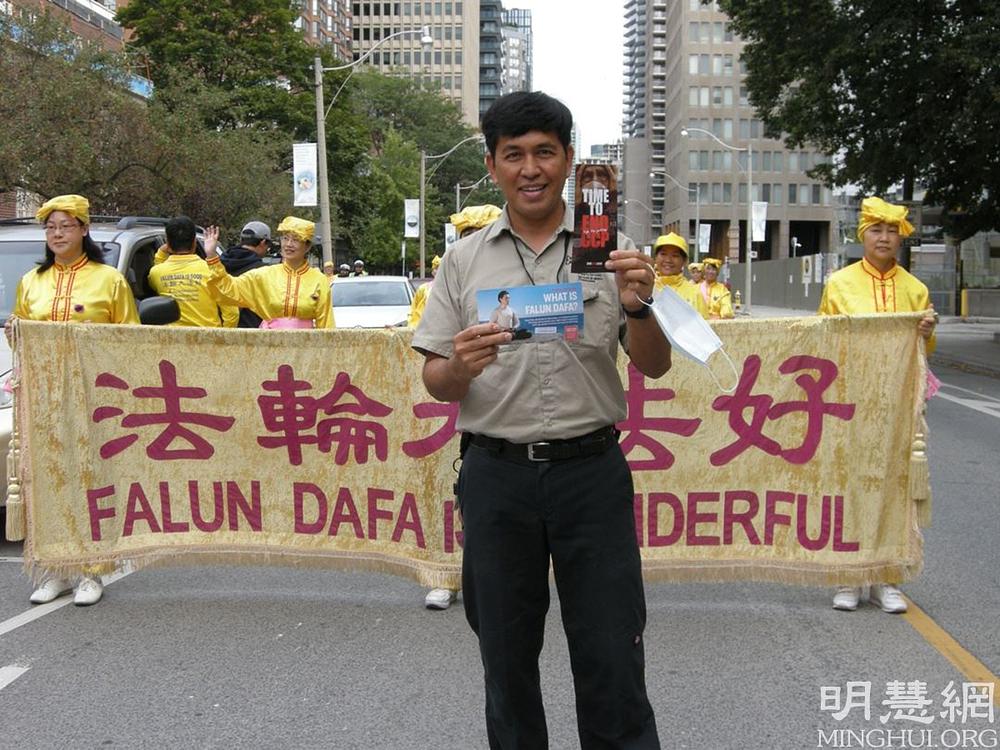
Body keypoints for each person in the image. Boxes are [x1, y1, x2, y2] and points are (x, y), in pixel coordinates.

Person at [412, 90, 667, 749]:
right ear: (493, 166)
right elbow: (436, 381)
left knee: (613, 656)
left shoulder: (609, 250)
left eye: (545, 153)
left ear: (569, 161)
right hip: (497, 478)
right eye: (514, 154)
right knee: (506, 658)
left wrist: (639, 308)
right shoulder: (464, 261)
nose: (531, 168)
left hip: (592, 477)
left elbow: (656, 366)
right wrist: (461, 366)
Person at [9, 194, 138, 606]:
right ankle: (55, 568)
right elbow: (19, 336)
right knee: (47, 477)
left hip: (92, 393)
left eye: (65, 226)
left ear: (84, 230)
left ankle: (91, 569)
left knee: (89, 476)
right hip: (44, 394)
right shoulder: (32, 282)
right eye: (50, 227)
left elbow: (128, 339)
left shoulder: (108, 280)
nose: (57, 233)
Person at [819, 196, 937, 615]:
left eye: (892, 231)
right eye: (876, 230)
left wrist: (925, 331)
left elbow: (924, 353)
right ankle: (850, 575)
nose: (884, 238)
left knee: (894, 484)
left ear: (901, 238)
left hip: (900, 404)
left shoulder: (915, 288)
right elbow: (824, 342)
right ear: (863, 235)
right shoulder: (839, 284)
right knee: (851, 483)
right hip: (852, 400)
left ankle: (887, 576)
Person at [204, 217, 333, 329]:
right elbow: (229, 290)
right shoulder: (263, 275)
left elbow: (327, 324)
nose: (289, 244)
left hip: (305, 350)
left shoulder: (319, 280)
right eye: (285, 238)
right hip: (270, 347)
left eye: (296, 239)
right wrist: (212, 257)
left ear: (307, 246)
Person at [148, 216, 238, 328]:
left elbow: (154, 279)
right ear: (195, 242)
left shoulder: (156, 273)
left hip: (172, 342)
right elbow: (232, 313)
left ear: (168, 244)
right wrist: (222, 339)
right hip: (207, 341)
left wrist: (161, 253)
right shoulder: (212, 272)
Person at [219, 221, 272, 328]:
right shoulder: (263, 271)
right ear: (262, 242)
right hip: (250, 331)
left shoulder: (218, 265)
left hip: (218, 330)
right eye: (268, 245)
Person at [652, 232, 708, 316]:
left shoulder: (695, 294)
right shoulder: (646, 290)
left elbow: (704, 327)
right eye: (663, 254)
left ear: (684, 261)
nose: (668, 260)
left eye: (675, 255)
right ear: (655, 258)